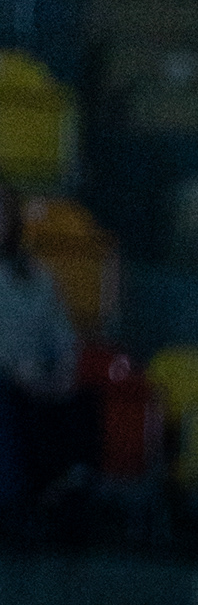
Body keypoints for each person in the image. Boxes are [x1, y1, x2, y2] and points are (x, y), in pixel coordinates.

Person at [0, 182, 78, 521]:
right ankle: (13, 504)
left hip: (37, 376)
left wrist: (62, 372)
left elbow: (63, 335)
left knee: (82, 401)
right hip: (9, 378)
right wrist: (14, 368)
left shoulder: (36, 276)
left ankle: (57, 497)